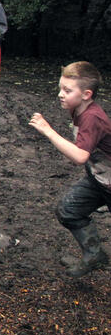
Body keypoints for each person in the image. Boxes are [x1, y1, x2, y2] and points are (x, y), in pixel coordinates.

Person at [29, 62, 110, 277]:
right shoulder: (78, 110)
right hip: (99, 180)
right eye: (60, 88)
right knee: (68, 210)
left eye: (67, 90)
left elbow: (80, 156)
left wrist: (48, 131)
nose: (60, 94)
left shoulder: (92, 117)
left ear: (86, 94)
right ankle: (95, 255)